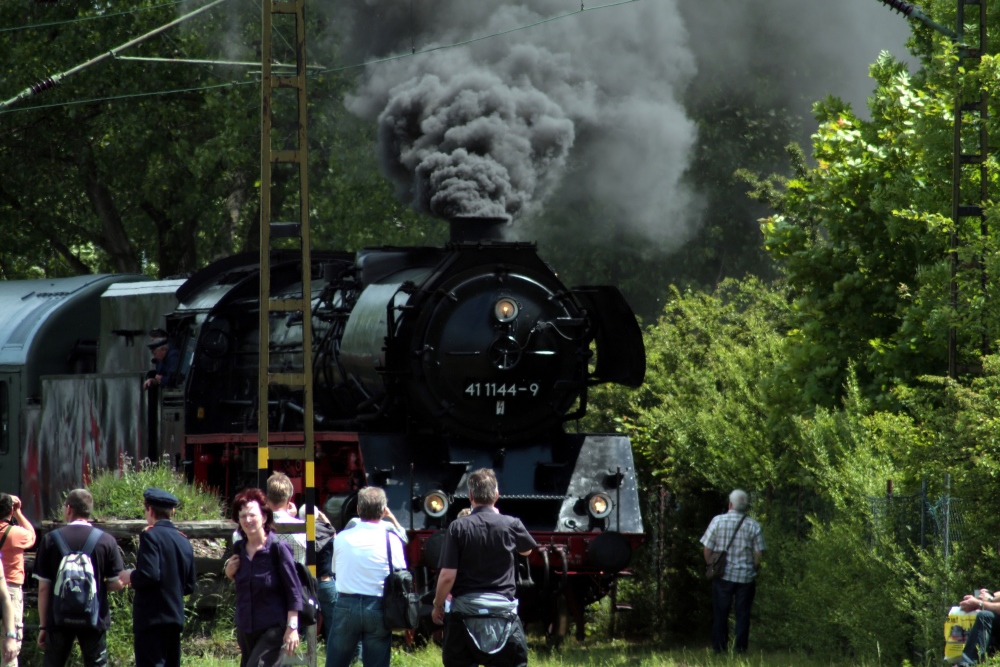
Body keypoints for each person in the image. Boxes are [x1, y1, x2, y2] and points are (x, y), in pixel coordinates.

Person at [432, 469, 537, 667]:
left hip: (464, 614)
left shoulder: (458, 527)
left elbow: (447, 576)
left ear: (470, 496)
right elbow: (527, 551)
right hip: (504, 613)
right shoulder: (511, 523)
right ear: (496, 496)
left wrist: (438, 605)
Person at [34, 488, 125, 667]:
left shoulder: (51, 540)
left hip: (58, 618)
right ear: (89, 511)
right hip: (94, 617)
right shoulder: (106, 540)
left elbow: (44, 587)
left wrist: (44, 626)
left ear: (68, 509)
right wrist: (98, 586)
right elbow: (118, 582)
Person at [325, 487, 407, 667]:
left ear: (358, 509)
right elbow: (401, 572)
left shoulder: (341, 538)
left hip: (346, 604)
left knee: (335, 663)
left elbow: (335, 570)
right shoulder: (392, 539)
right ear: (383, 510)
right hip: (377, 606)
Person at [118, 488, 197, 667]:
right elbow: (190, 585)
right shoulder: (183, 540)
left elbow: (149, 574)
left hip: (151, 620)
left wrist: (131, 575)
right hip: (174, 617)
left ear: (150, 510)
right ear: (172, 512)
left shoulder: (150, 536)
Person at [224, 488, 302, 667]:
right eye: (242, 516)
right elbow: (249, 583)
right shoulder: (239, 550)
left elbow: (293, 590)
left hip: (273, 628)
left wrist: (292, 628)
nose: (248, 520)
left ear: (264, 517)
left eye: (252, 515)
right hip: (246, 628)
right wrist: (230, 574)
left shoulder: (278, 548)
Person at [700, 489, 765, 654]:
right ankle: (740, 649)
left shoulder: (717, 521)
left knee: (720, 613)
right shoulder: (754, 525)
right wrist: (754, 568)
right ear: (746, 507)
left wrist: (711, 565)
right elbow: (759, 554)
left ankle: (719, 649)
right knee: (743, 614)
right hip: (746, 577)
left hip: (722, 575)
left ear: (730, 504)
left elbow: (707, 548)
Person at [233, 472, 307, 565]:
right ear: (289, 500)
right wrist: (292, 517)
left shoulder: (243, 533)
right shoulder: (303, 531)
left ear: (265, 498)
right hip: (295, 578)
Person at [0, 493, 35, 667]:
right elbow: (32, 535)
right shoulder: (15, 533)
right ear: (10, 511)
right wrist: (19, 513)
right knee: (10, 642)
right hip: (11, 588)